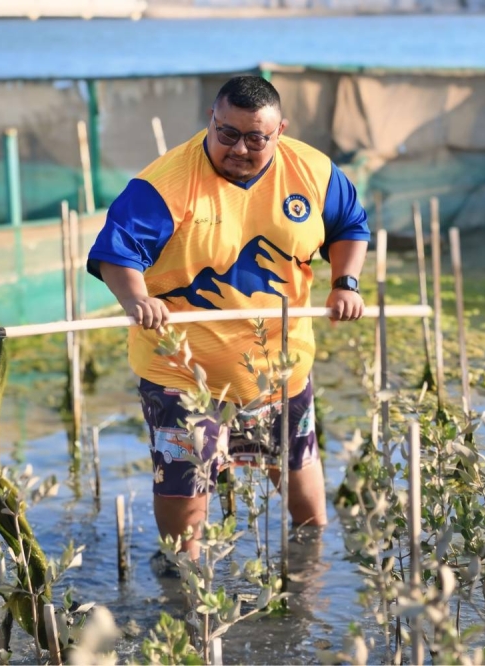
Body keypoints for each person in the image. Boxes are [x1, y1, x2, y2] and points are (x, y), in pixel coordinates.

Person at [87, 75, 369, 558]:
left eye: (255, 137)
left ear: (280, 130)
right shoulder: (164, 185)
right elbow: (118, 254)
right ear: (210, 122)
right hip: (183, 377)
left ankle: (308, 593)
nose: (239, 148)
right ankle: (187, 597)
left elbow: (349, 225)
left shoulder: (314, 171)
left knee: (309, 515)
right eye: (227, 134)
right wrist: (137, 300)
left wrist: (345, 282)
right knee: (185, 529)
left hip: (282, 372)